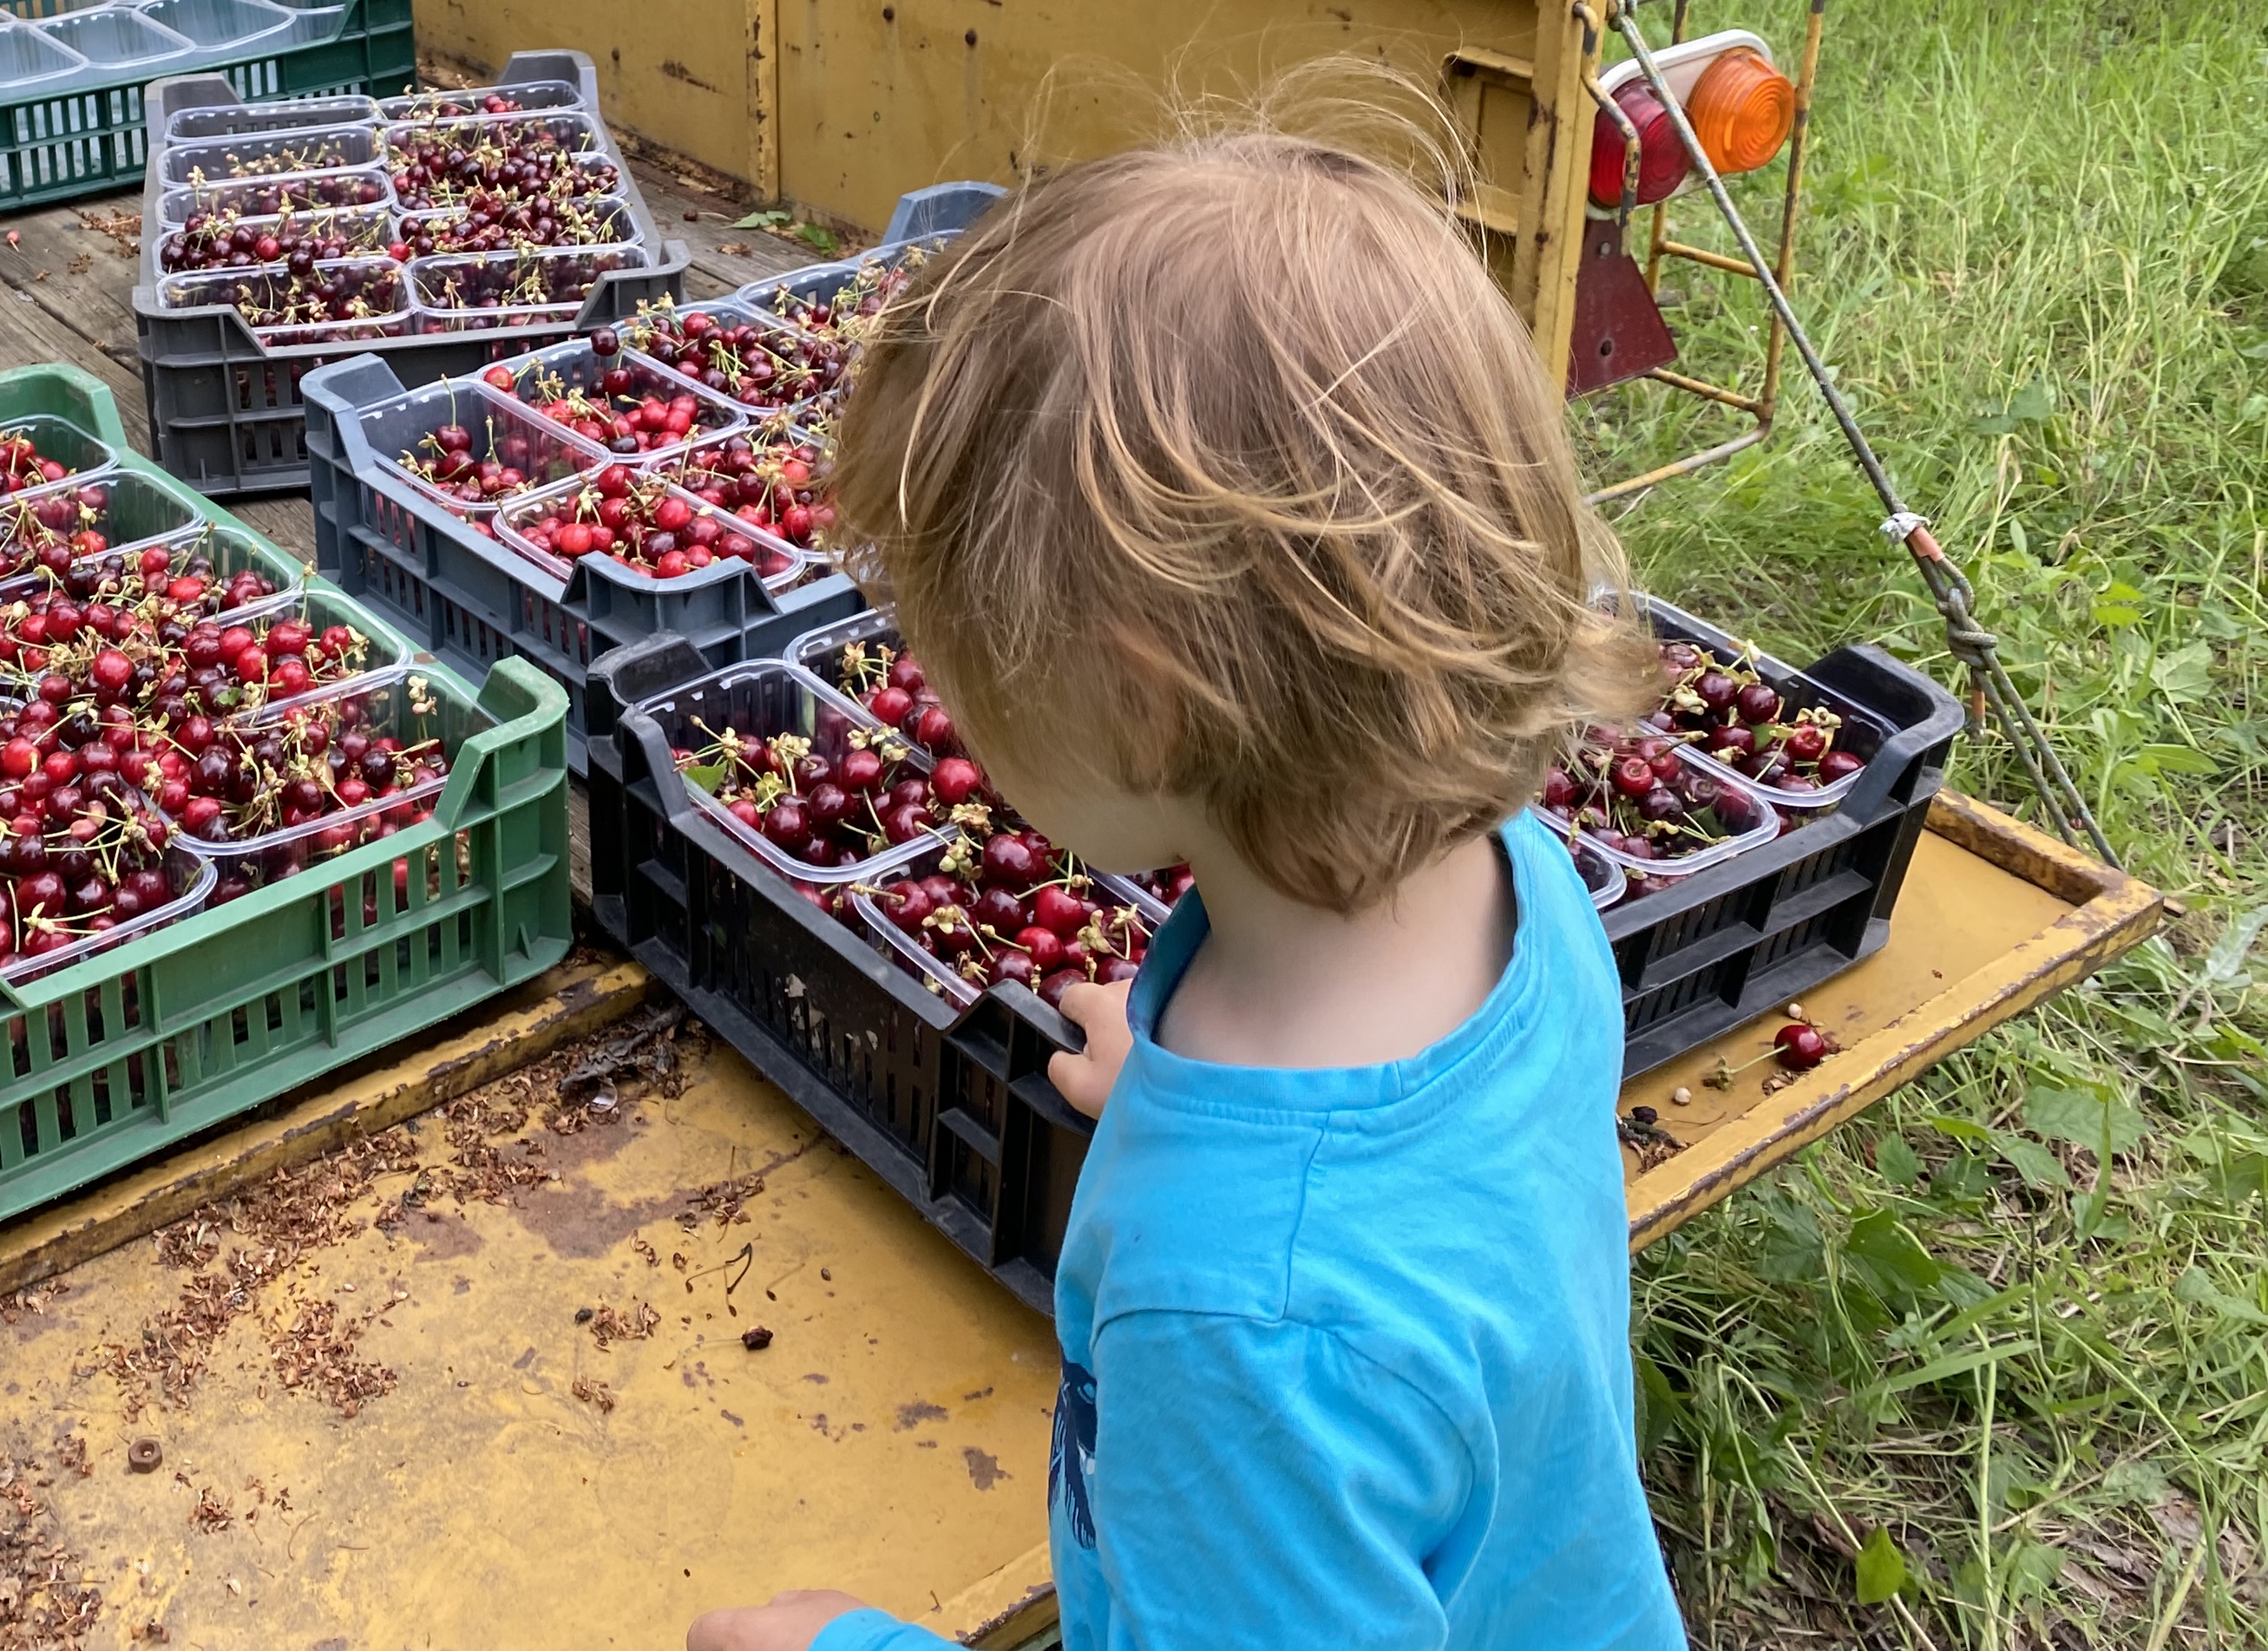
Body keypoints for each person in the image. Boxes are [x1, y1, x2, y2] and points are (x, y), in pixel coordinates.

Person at [686, 136, 1688, 1651]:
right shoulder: (1514, 888)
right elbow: (1412, 1197)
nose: (936, 693)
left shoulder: (1232, 1321)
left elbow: (1299, 1306)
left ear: (1146, 705)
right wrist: (1174, 1097)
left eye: (952, 654)